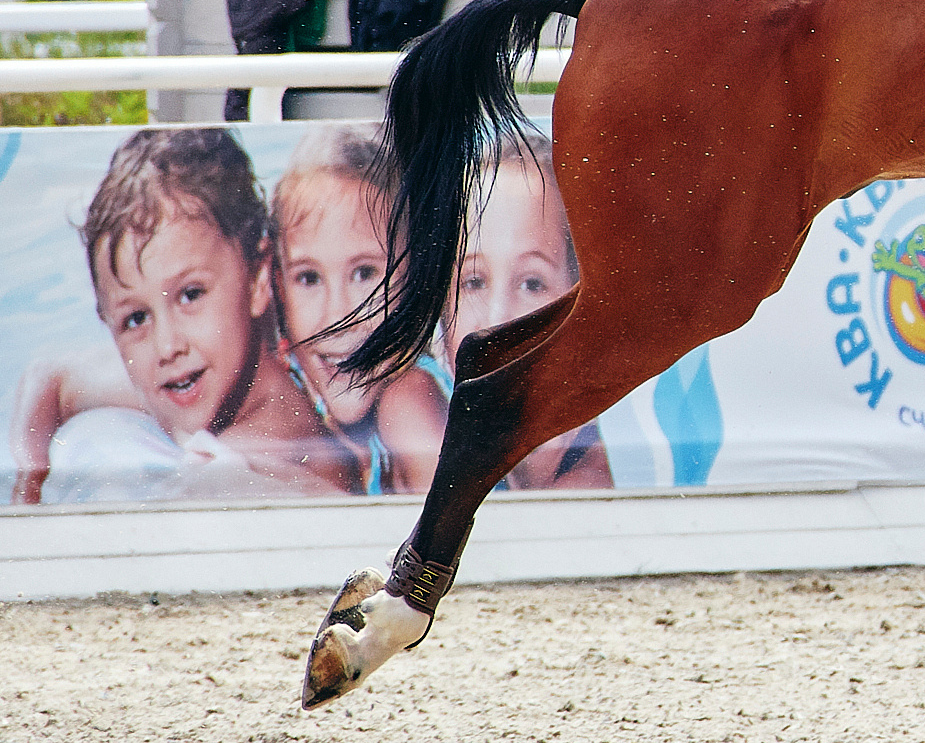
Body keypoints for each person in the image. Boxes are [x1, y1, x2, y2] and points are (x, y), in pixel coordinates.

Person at [9, 130, 358, 504]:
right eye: (136, 318)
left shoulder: (294, 451)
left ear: (257, 280)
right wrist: (27, 488)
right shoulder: (185, 376)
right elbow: (48, 377)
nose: (167, 345)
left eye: (190, 295)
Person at [269, 125, 450, 494]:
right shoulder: (301, 387)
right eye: (309, 278)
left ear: (416, 280)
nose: (338, 315)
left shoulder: (409, 402)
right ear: (277, 288)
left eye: (365, 273)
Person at [438, 134, 611, 490]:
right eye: (473, 282)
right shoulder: (416, 425)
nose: (498, 319)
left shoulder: (607, 470)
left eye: (532, 284)